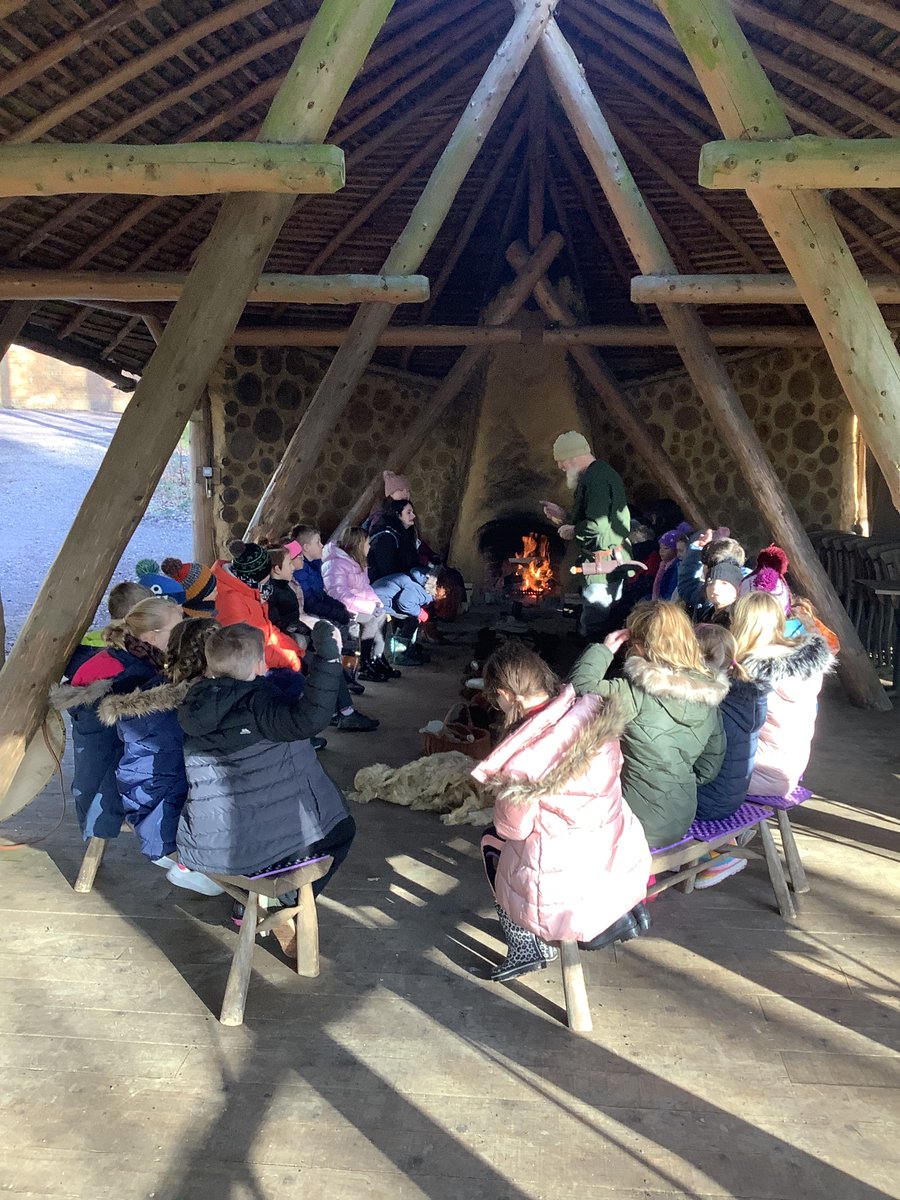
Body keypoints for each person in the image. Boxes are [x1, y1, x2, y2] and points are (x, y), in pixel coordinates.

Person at [473, 642, 652, 982]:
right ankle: (614, 912)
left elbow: (514, 830)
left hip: (562, 880)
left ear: (507, 696)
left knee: (491, 843)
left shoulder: (523, 761)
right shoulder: (592, 713)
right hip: (618, 851)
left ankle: (527, 948)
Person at [176, 621, 356, 954]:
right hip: (260, 851)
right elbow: (311, 718)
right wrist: (329, 657)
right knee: (342, 829)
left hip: (207, 844)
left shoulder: (194, 703)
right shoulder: (261, 705)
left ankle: (248, 902)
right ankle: (275, 901)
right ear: (260, 665)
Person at [569, 600, 727, 848]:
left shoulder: (635, 692)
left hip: (634, 822)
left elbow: (580, 689)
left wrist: (604, 650)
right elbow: (710, 765)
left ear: (641, 647)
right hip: (683, 816)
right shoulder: (709, 694)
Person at [98, 617, 223, 895]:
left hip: (143, 800)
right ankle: (190, 864)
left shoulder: (154, 690)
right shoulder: (192, 706)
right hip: (165, 825)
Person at [52, 597, 183, 843]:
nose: (181, 637)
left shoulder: (129, 655)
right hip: (110, 772)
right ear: (152, 637)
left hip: (99, 754)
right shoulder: (133, 670)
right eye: (176, 630)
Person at [732, 592, 835, 798]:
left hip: (758, 774)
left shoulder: (752, 674)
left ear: (742, 624)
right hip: (792, 767)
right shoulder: (805, 664)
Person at [691, 623, 769, 890]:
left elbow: (698, 765)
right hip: (733, 794)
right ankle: (726, 843)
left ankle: (713, 856)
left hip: (708, 802)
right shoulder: (748, 694)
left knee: (657, 798)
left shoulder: (712, 702)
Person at [542, 430, 631, 636]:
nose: (560, 467)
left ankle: (594, 662)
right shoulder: (595, 475)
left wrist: (573, 530)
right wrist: (564, 516)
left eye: (561, 461)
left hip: (605, 566)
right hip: (604, 563)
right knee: (596, 620)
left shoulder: (597, 479)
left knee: (595, 626)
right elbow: (594, 518)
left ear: (573, 457)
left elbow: (597, 526)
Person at [213, 539, 303, 672]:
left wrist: (294, 649)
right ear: (261, 575)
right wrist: (290, 659)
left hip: (263, 654)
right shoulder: (231, 600)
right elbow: (245, 646)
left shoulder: (252, 589)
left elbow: (268, 630)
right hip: (249, 666)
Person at [322, 528, 393, 684]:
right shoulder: (336, 564)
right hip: (341, 608)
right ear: (359, 545)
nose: (370, 547)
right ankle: (361, 666)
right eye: (367, 543)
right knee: (370, 620)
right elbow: (338, 594)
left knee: (381, 615)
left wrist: (377, 604)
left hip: (355, 605)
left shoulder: (357, 562)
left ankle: (375, 658)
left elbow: (365, 588)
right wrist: (368, 608)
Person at [367, 498, 433, 666]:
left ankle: (405, 648)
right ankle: (400, 653)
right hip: (385, 588)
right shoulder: (387, 537)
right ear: (398, 515)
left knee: (415, 609)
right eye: (408, 513)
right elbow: (387, 569)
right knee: (412, 613)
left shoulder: (403, 535)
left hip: (398, 584)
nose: (413, 516)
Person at [289, 525, 353, 626]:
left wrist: (341, 607)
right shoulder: (299, 570)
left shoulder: (315, 564)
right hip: (308, 615)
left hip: (319, 608)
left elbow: (320, 595)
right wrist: (338, 613)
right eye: (317, 542)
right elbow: (309, 603)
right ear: (306, 547)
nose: (322, 545)